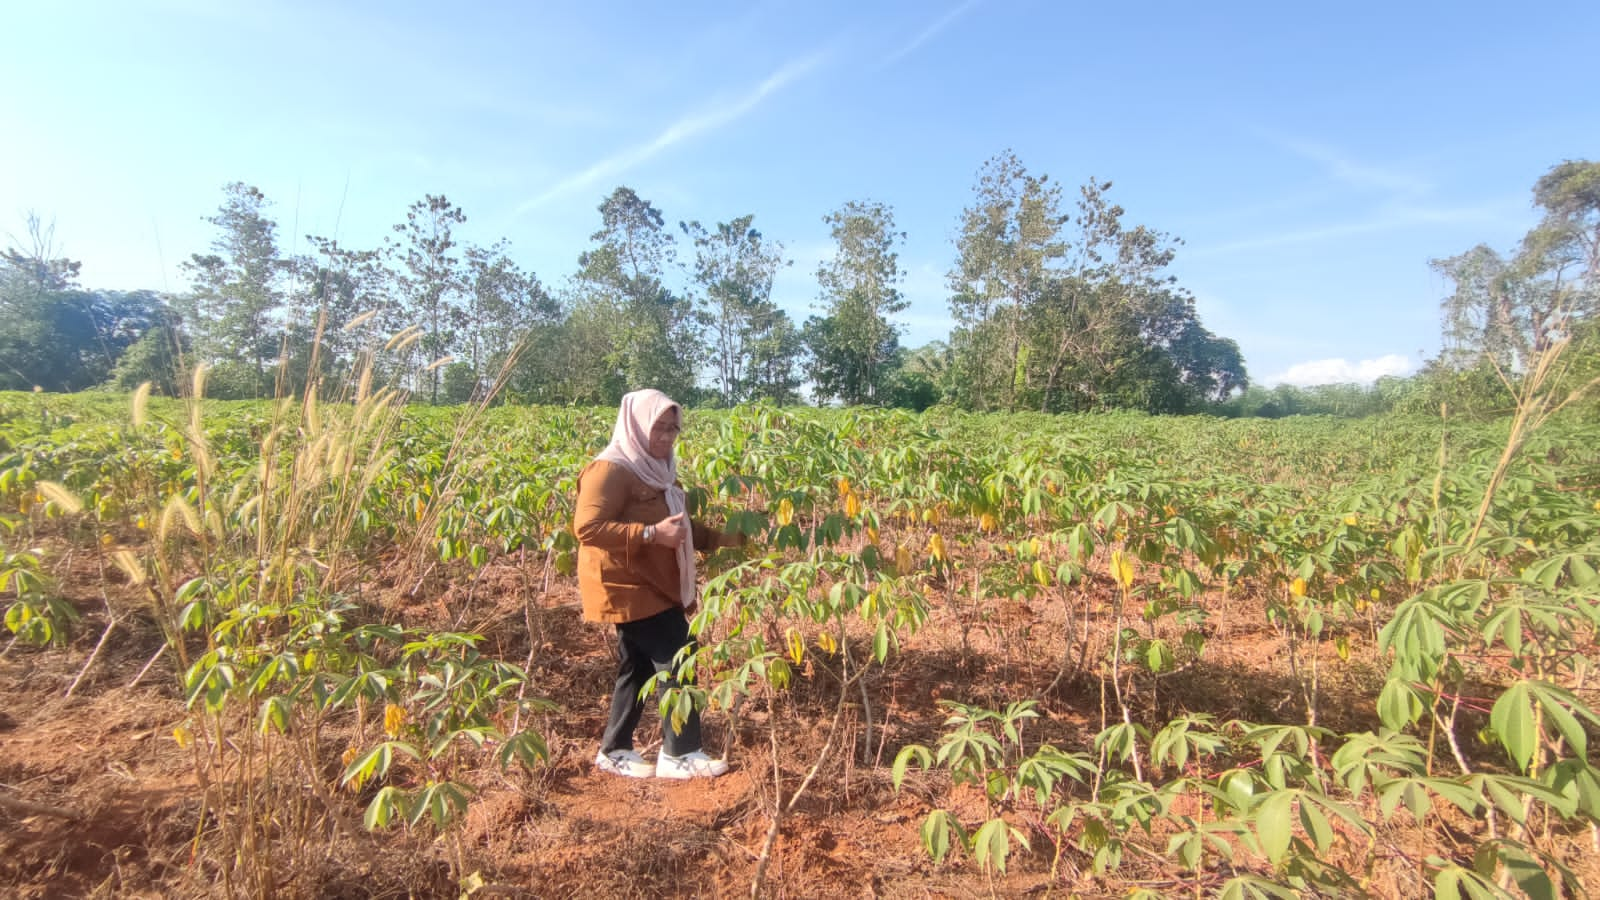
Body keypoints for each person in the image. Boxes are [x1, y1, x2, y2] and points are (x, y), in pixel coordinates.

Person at [574, 389, 737, 779]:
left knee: (639, 667)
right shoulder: (609, 470)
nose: (665, 437)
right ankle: (680, 752)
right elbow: (587, 528)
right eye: (658, 428)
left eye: (672, 429)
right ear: (635, 425)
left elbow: (680, 528)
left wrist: (732, 540)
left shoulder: (660, 470)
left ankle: (614, 750)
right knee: (679, 653)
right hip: (626, 584)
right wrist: (649, 535)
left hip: (653, 581)